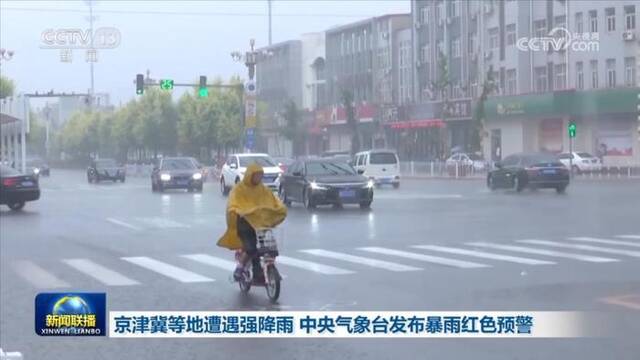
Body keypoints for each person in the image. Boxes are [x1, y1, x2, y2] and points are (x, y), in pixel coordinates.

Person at [217, 162, 287, 284]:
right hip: (245, 224)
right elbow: (233, 203)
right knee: (251, 248)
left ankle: (258, 271)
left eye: (260, 175)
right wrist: (237, 210)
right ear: (250, 175)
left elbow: (273, 200)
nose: (258, 178)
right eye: (256, 175)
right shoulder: (239, 189)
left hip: (260, 224)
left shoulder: (263, 189)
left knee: (268, 248)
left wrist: (279, 208)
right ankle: (239, 269)